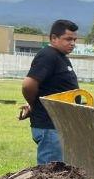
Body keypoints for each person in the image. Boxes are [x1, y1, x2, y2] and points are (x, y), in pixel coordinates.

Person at [20, 20, 79, 164]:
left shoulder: (60, 57)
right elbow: (28, 85)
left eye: (74, 39)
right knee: (50, 173)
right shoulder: (48, 56)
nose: (72, 43)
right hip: (49, 125)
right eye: (68, 39)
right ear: (53, 38)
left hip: (59, 124)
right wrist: (33, 104)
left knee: (59, 173)